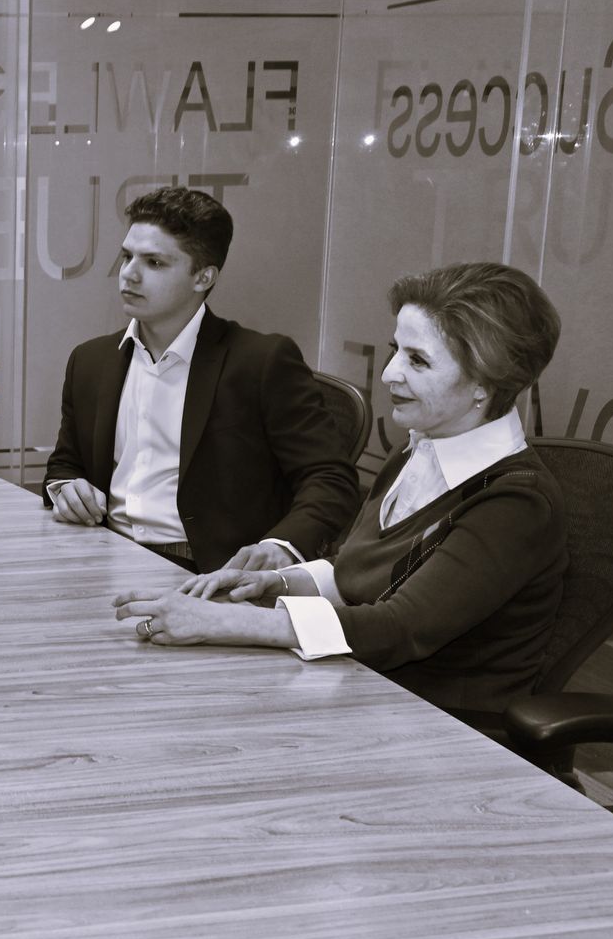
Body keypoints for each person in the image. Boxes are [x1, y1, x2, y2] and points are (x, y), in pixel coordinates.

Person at [113, 261, 565, 715]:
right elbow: (358, 571)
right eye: (396, 350)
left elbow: (399, 627)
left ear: (485, 384)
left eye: (418, 360)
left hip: (439, 726)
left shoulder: (517, 504)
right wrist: (272, 583)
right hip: (360, 689)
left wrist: (229, 621)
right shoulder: (420, 447)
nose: (389, 374)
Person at [43, 186, 358, 573]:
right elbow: (66, 463)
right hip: (101, 553)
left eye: (154, 263)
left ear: (203, 277)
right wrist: (65, 487)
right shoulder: (90, 361)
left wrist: (281, 547)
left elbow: (330, 478)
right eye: (127, 256)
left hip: (205, 571)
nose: (129, 274)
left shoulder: (261, 362)